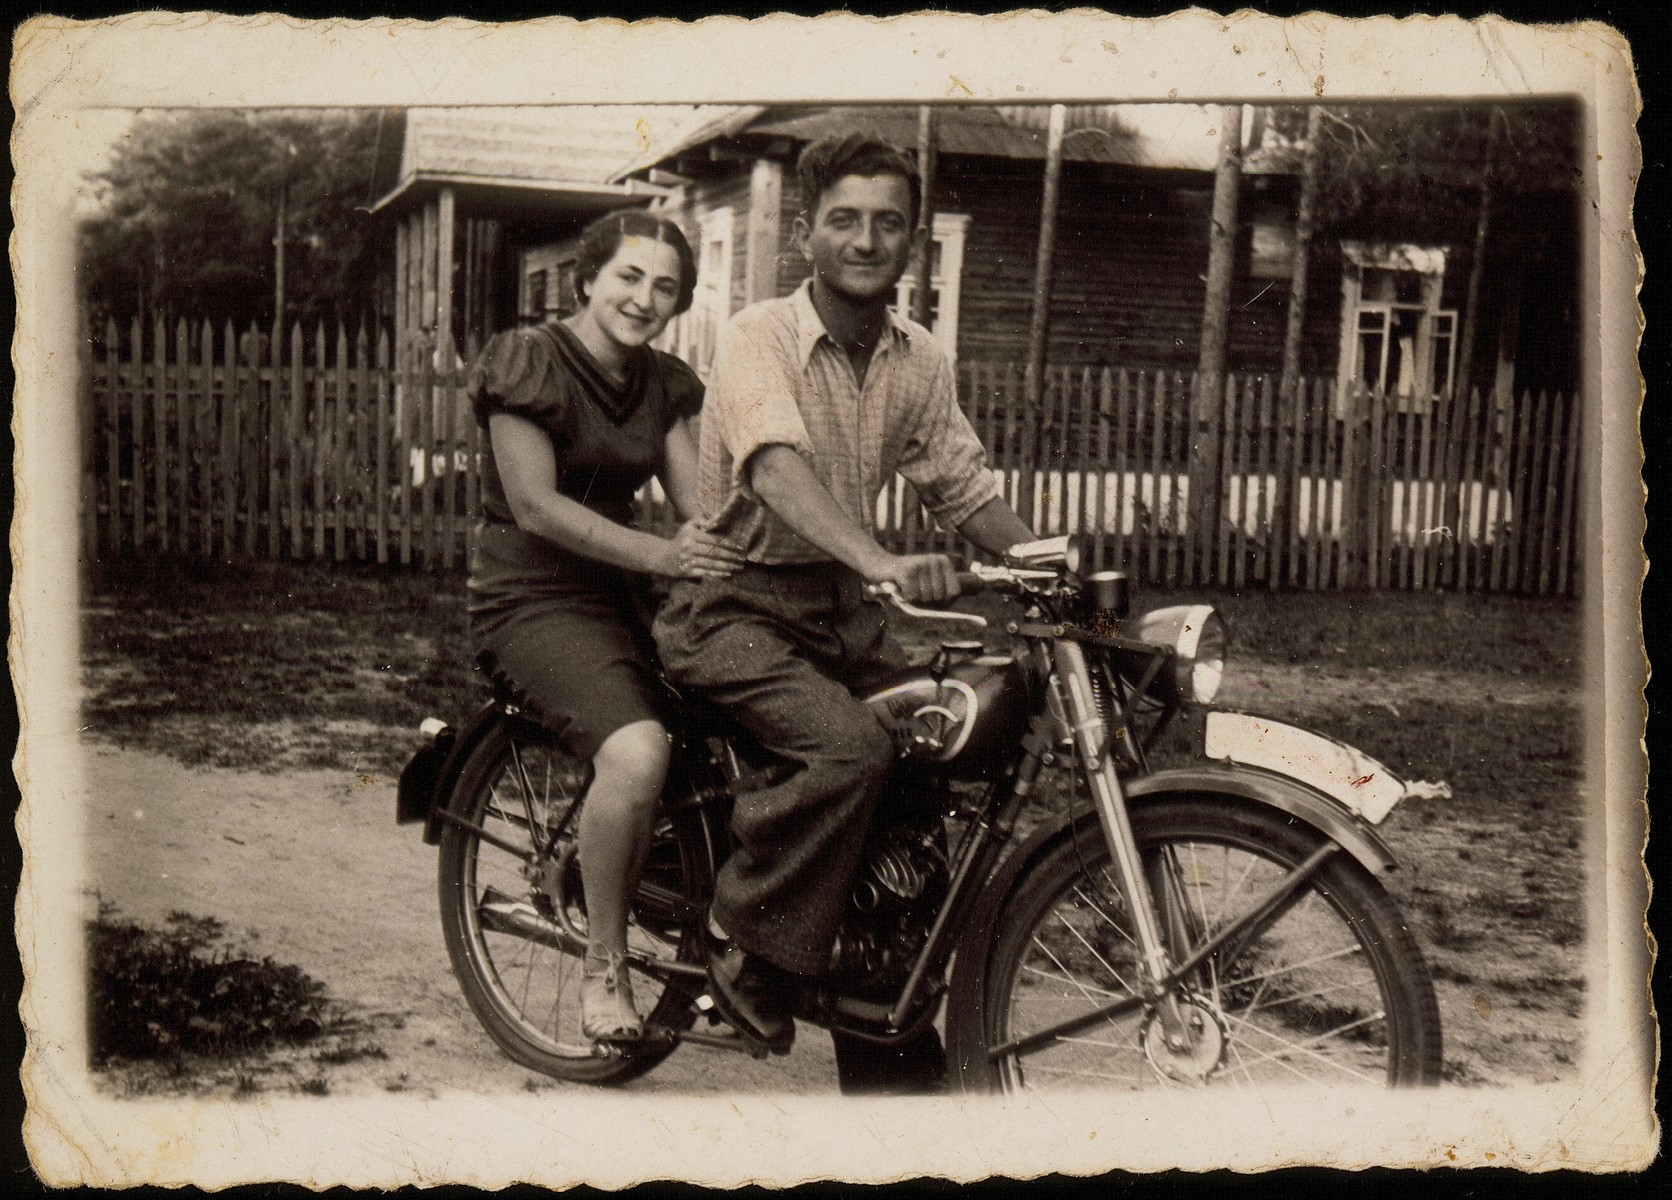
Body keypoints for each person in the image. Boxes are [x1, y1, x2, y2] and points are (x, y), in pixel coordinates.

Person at [652, 133, 1035, 1092]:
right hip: (730, 605)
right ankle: (743, 943)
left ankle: (878, 1021)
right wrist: (876, 557)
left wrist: (1043, 566)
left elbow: (959, 482)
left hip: (836, 616)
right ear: (805, 233)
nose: (867, 241)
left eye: (889, 224)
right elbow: (774, 464)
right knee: (849, 748)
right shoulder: (758, 336)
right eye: (844, 221)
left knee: (928, 757)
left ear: (912, 241)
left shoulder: (918, 360)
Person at [466, 210, 742, 1044]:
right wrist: (661, 558)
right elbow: (535, 505)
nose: (644, 298)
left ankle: (729, 957)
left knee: (746, 720)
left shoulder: (662, 383)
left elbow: (701, 508)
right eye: (628, 276)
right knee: (637, 750)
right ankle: (602, 971)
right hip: (532, 593)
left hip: (626, 592)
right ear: (586, 279)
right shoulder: (527, 359)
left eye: (665, 286)